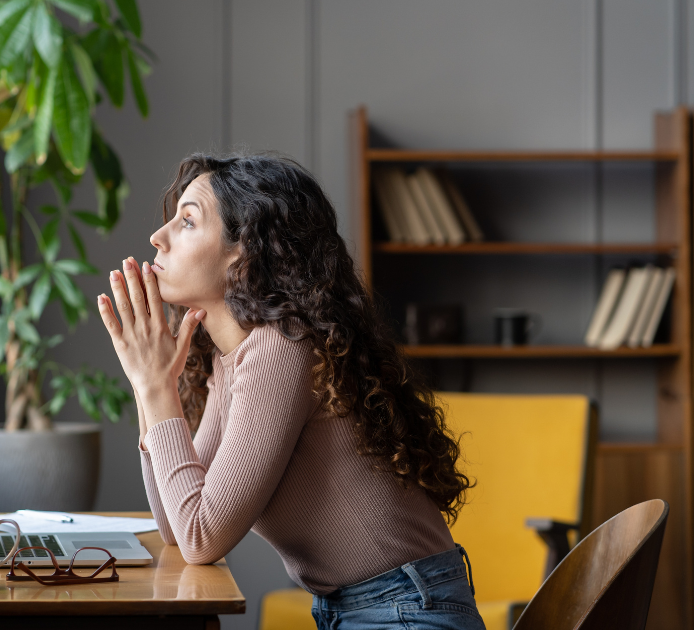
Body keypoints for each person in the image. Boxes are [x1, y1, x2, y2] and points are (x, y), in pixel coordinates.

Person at [96, 153, 484, 630]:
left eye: (188, 221)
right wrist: (147, 385)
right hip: (372, 608)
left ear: (244, 252)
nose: (159, 236)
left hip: (405, 611)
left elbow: (201, 537)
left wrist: (157, 389)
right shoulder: (235, 361)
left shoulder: (283, 347)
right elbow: (178, 528)